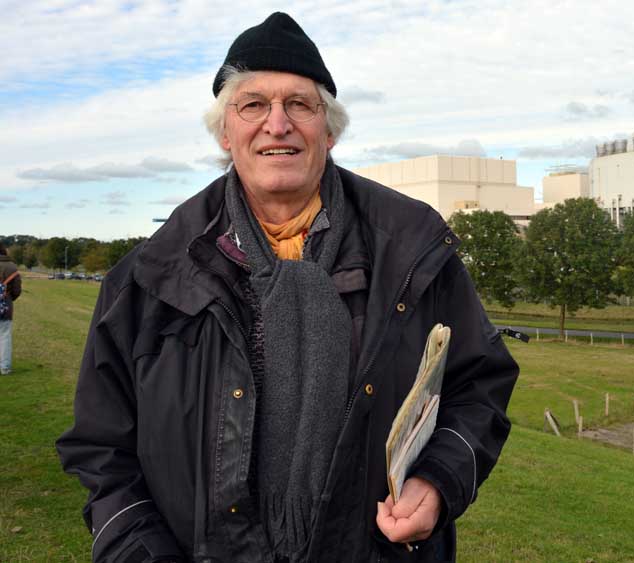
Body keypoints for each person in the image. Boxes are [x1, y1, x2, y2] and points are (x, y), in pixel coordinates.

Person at [56, 12, 518, 563]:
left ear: (330, 129)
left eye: (300, 104)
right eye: (253, 105)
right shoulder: (151, 274)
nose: (278, 124)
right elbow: (103, 449)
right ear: (225, 133)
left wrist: (439, 480)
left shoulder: (412, 248)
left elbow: (479, 386)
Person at [0, 242, 22, 375]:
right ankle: (5, 367)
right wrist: (7, 299)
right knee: (4, 336)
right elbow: (17, 290)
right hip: (6, 307)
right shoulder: (12, 267)